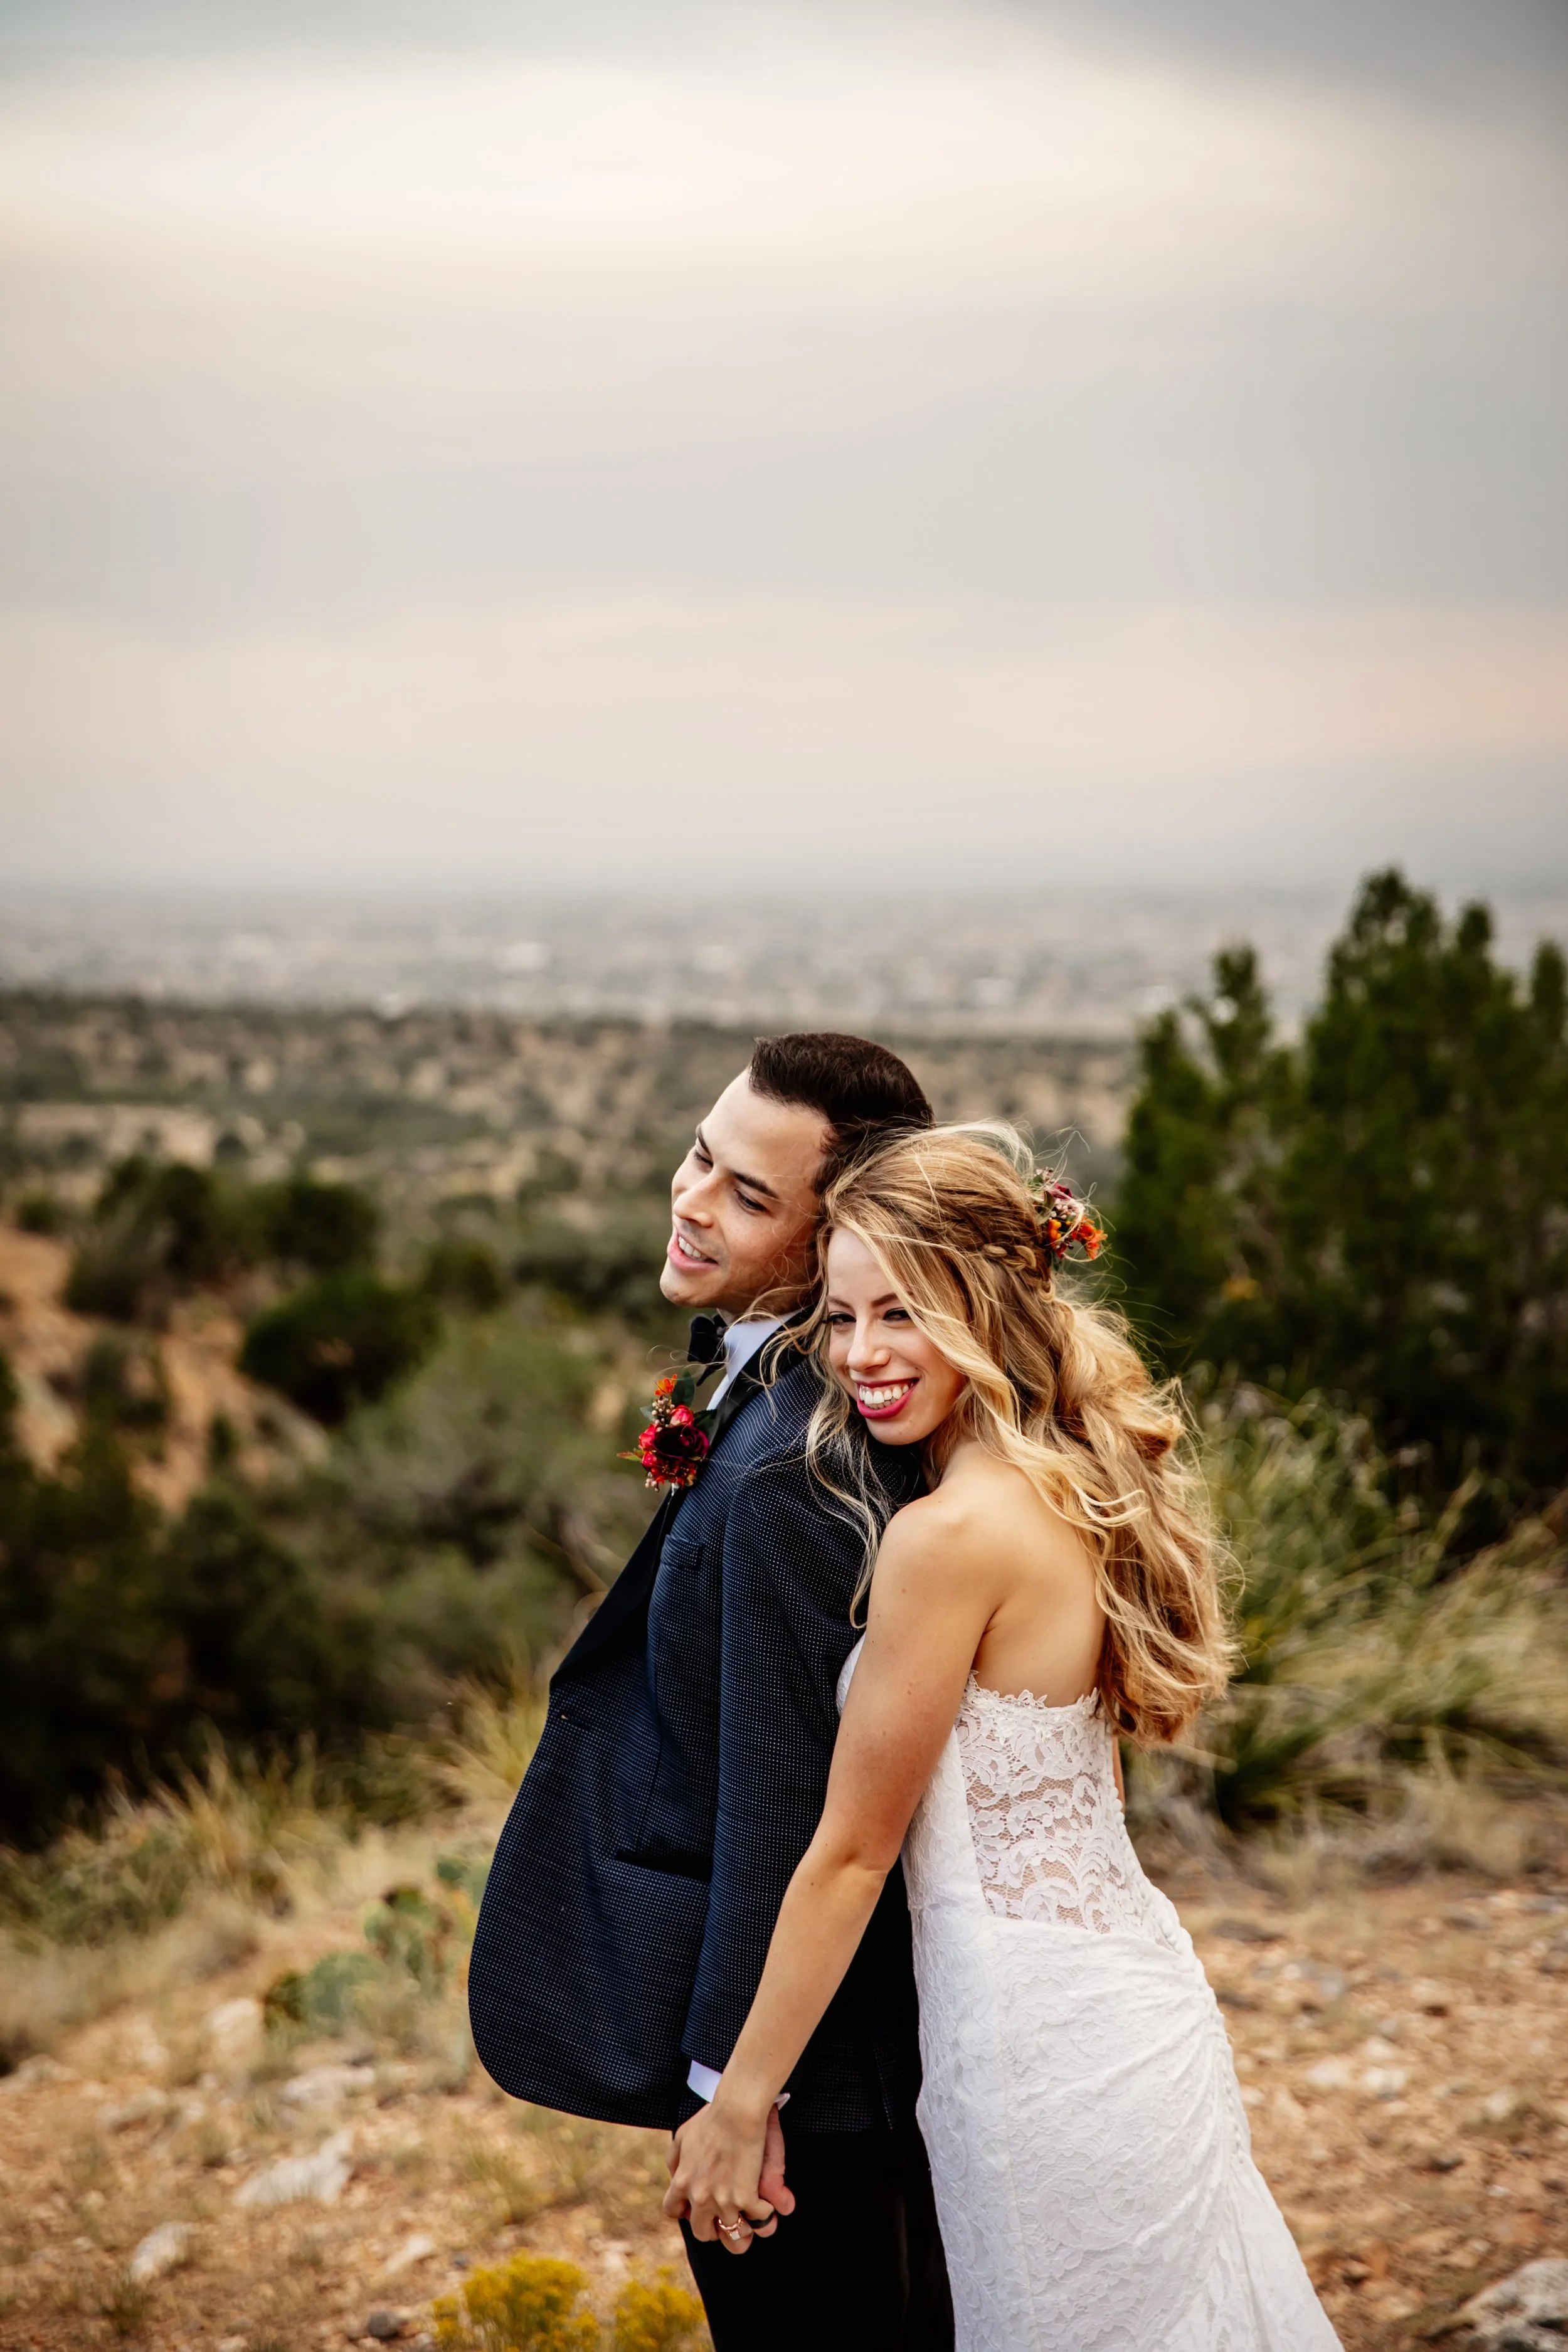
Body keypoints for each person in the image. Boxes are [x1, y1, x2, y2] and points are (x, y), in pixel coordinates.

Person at [663, 1123, 1342, 2351]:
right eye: (842, 1317)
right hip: (1128, 1999)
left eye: (900, 1315)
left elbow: (853, 1855)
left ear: (979, 1309)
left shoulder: (945, 1537)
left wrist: (737, 2098)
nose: (861, 1356)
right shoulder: (1064, 1483)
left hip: (1030, 2048)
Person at [468, 1032, 955, 2352]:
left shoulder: (787, 1469)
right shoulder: (782, 1399)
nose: (693, 1201)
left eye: (749, 1195)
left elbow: (790, 1796)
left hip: (803, 2084)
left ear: (836, 1230)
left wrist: (736, 2089)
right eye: (700, 1157)